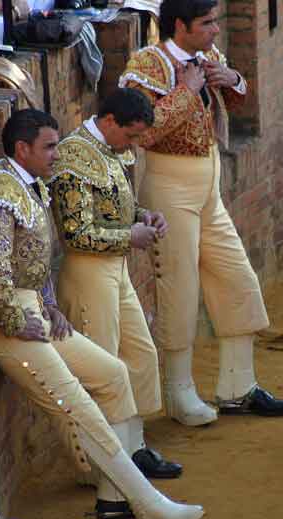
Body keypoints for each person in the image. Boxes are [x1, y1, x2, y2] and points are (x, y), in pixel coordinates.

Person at [0, 109, 203, 519]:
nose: (58, 154)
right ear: (22, 148)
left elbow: (35, 260)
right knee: (78, 405)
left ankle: (113, 498)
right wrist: (17, 320)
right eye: (49, 146)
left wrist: (49, 305)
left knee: (112, 374)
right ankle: (148, 504)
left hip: (32, 310)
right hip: (5, 321)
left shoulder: (25, 182)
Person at [119, 0, 283, 426]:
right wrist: (187, 91)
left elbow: (235, 100)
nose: (216, 30)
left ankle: (238, 386)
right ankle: (179, 394)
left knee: (238, 278)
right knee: (179, 287)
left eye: (215, 21)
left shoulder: (208, 56)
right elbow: (144, 131)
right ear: (179, 25)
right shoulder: (145, 65)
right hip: (169, 187)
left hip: (208, 189)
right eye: (207, 23)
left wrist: (230, 79)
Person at [48, 88, 182, 481]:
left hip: (114, 269)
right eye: (132, 135)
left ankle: (134, 449)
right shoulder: (73, 157)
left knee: (139, 354)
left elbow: (115, 206)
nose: (135, 145)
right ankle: (103, 464)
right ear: (109, 122)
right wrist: (131, 237)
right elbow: (75, 233)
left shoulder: (108, 147)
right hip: (88, 271)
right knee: (104, 367)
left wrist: (145, 216)